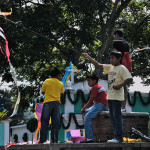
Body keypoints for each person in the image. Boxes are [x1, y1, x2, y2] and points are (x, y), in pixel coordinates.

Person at [82, 51, 133, 143]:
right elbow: (98, 64)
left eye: (112, 58)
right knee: (113, 117)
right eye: (110, 58)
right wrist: (88, 57)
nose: (111, 59)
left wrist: (120, 85)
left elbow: (130, 79)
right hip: (110, 97)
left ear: (118, 59)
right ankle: (116, 137)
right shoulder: (110, 67)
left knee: (117, 116)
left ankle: (119, 138)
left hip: (117, 97)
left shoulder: (122, 68)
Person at [39, 67, 64, 143]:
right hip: (56, 104)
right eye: (60, 75)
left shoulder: (46, 81)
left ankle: (43, 138)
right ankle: (54, 139)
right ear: (57, 75)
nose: (60, 77)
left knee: (44, 121)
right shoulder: (60, 83)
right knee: (55, 123)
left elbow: (42, 92)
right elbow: (61, 93)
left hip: (47, 103)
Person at [80, 74, 108, 143]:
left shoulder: (95, 87)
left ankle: (89, 138)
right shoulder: (97, 87)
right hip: (100, 105)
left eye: (89, 81)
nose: (88, 82)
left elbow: (90, 100)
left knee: (87, 117)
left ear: (94, 81)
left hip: (101, 105)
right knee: (85, 112)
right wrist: (84, 110)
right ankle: (92, 135)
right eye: (87, 81)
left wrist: (83, 108)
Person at [113, 29, 132, 110]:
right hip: (125, 67)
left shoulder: (116, 43)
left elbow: (113, 54)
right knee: (124, 86)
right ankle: (123, 106)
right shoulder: (126, 44)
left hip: (118, 66)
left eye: (114, 35)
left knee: (115, 85)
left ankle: (116, 106)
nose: (114, 37)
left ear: (117, 35)